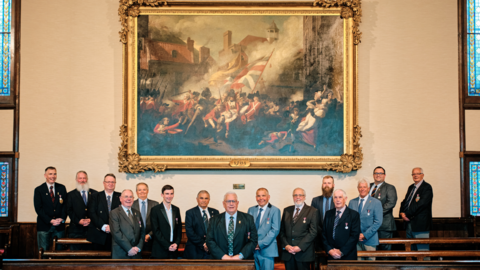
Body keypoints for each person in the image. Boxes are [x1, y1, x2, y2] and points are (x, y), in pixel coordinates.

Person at [206, 191, 258, 260]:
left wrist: (240, 256)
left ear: (237, 203)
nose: (231, 204)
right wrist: (223, 256)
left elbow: (253, 240)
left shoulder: (248, 219)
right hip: (219, 261)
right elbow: (209, 240)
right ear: (223, 204)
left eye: (233, 201)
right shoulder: (214, 220)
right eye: (228, 201)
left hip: (243, 261)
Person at [279, 188, 318, 270]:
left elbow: (313, 232)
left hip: (303, 253)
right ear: (293, 197)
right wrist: (286, 245)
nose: (298, 197)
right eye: (295, 195)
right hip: (288, 253)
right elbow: (282, 231)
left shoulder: (312, 211)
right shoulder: (286, 210)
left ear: (304, 197)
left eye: (300, 195)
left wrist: (300, 247)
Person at [399, 167, 433, 253]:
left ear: (422, 175)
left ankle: (425, 267)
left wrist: (407, 214)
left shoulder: (427, 187)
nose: (415, 175)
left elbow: (421, 205)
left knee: (422, 252)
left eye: (418, 173)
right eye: (413, 174)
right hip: (408, 224)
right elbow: (405, 202)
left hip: (420, 225)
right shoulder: (411, 187)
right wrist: (402, 212)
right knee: (411, 252)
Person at [34, 166, 68, 251]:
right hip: (44, 226)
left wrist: (62, 218)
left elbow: (66, 205)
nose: (53, 176)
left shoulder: (62, 188)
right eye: (50, 174)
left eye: (54, 174)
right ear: (45, 175)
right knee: (43, 251)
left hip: (59, 226)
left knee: (59, 251)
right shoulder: (39, 190)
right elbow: (38, 208)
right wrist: (50, 220)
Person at [348, 179, 383, 260]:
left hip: (370, 240)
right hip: (355, 241)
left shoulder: (376, 202)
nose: (362, 189)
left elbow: (378, 222)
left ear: (368, 188)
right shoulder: (352, 202)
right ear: (357, 188)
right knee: (358, 266)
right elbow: (349, 221)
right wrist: (356, 235)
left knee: (370, 266)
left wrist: (365, 235)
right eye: (360, 187)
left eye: (364, 187)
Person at [247, 188, 281, 270]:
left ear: (268, 197)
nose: (261, 198)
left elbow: (275, 230)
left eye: (263, 195)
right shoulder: (251, 210)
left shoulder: (275, 210)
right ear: (256, 197)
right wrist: (251, 242)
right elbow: (247, 229)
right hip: (252, 250)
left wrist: (260, 243)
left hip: (267, 250)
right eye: (258, 196)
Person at [322, 189, 360, 260]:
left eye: (340, 197)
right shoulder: (328, 214)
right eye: (335, 197)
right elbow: (324, 234)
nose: (337, 200)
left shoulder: (354, 215)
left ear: (345, 199)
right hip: (331, 255)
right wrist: (329, 250)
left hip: (347, 255)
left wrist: (341, 251)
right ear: (333, 200)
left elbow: (354, 236)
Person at [87, 173, 121, 250]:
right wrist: (104, 226)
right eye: (108, 182)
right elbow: (92, 213)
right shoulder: (95, 196)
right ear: (104, 183)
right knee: (99, 260)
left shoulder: (120, 197)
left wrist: (112, 227)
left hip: (115, 235)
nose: (110, 184)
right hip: (98, 234)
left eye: (112, 182)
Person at [184, 190, 220, 259]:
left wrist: (210, 244)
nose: (204, 200)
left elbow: (217, 230)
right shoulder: (190, 213)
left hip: (211, 250)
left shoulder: (215, 212)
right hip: (195, 250)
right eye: (201, 198)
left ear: (209, 200)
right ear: (197, 199)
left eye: (206, 198)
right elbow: (190, 232)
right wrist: (203, 244)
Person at [110, 189, 145, 259]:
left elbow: (142, 231)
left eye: (131, 197)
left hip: (136, 252)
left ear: (133, 199)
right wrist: (129, 249)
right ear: (120, 199)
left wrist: (138, 247)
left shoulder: (137, 213)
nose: (128, 199)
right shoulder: (114, 213)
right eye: (126, 197)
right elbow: (116, 233)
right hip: (121, 253)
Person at [66, 171, 97, 250]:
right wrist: (78, 221)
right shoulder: (70, 195)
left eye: (84, 178)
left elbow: (98, 210)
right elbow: (69, 211)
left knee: (91, 257)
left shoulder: (95, 194)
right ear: (76, 180)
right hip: (76, 231)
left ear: (87, 179)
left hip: (91, 230)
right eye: (80, 178)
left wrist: (91, 220)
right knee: (75, 258)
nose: (82, 180)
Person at [150, 185, 182, 259]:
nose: (169, 196)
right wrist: (167, 245)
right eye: (167, 193)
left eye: (171, 193)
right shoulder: (155, 210)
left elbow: (179, 229)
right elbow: (156, 231)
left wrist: (176, 243)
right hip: (160, 249)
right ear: (162, 195)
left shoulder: (176, 209)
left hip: (173, 249)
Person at [370, 166, 397, 252]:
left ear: (384, 175)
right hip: (370, 226)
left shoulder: (390, 187)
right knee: (372, 252)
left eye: (380, 173)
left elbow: (391, 203)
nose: (378, 175)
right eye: (376, 173)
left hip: (384, 226)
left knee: (384, 253)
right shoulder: (368, 186)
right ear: (373, 175)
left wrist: (375, 213)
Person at [132, 182, 159, 252]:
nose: (142, 192)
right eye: (139, 190)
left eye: (144, 189)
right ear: (136, 192)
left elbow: (158, 223)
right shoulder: (131, 204)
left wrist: (149, 235)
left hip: (152, 239)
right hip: (135, 240)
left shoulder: (155, 204)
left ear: (147, 191)